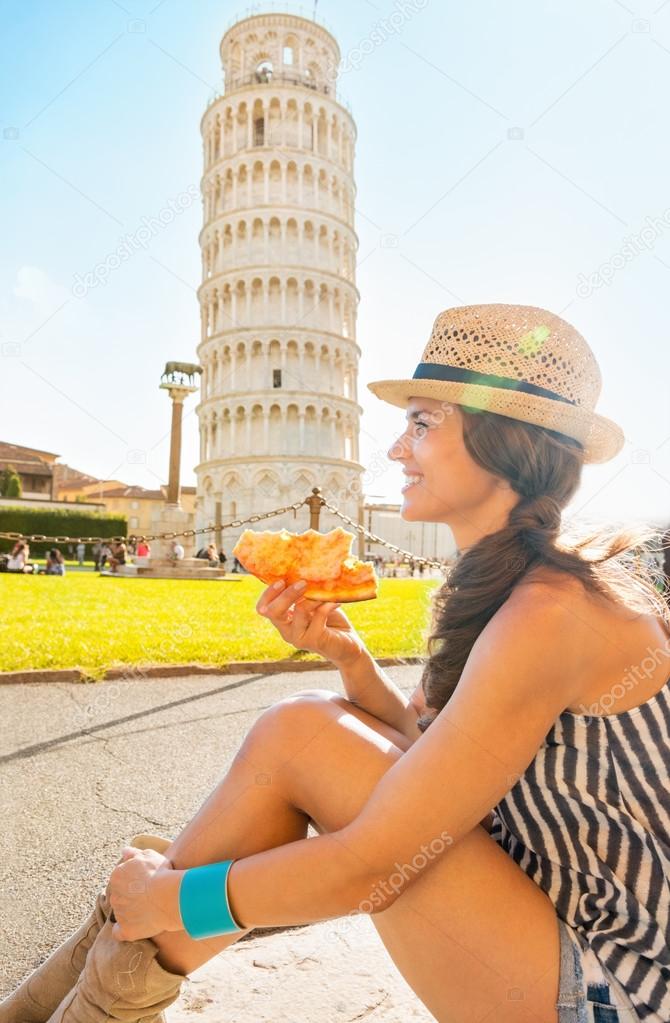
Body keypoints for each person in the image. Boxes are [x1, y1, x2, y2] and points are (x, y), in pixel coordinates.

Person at [5, 304, 669, 1023]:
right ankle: (57, 1007)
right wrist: (351, 661)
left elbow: (374, 863)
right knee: (304, 728)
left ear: (503, 443)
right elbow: (436, 757)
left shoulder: (549, 613)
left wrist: (170, 898)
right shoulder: (515, 584)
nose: (395, 450)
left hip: (613, 990)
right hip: (551, 932)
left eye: (422, 423)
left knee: (300, 741)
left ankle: (82, 992)